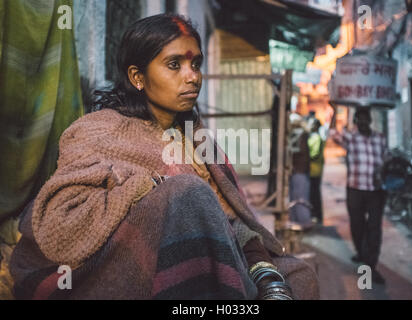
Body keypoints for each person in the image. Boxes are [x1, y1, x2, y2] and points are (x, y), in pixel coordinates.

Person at [9, 14, 319, 300]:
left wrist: (263, 269)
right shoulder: (99, 130)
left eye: (195, 64)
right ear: (137, 76)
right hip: (114, 265)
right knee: (188, 193)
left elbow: (231, 218)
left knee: (301, 277)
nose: (192, 77)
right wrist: (153, 187)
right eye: (174, 65)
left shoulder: (196, 137)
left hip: (206, 248)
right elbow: (59, 227)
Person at [330, 106, 388, 284]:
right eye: (359, 119)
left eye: (365, 118)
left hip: (376, 191)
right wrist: (333, 110)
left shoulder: (380, 138)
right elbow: (332, 132)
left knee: (374, 229)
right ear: (355, 121)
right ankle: (362, 253)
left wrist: (383, 176)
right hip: (355, 189)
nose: (363, 122)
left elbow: (387, 159)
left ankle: (370, 266)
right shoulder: (351, 138)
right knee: (357, 226)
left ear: (370, 120)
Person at [288, 113, 313, 227]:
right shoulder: (300, 135)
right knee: (297, 196)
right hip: (299, 171)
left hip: (299, 171)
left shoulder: (298, 135)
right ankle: (297, 219)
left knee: (299, 197)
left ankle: (302, 220)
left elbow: (297, 153)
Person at [308, 119, 325, 224]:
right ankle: (315, 214)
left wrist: (305, 158)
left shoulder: (317, 137)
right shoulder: (313, 136)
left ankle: (317, 215)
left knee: (314, 194)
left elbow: (315, 154)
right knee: (313, 193)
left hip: (315, 170)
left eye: (312, 125)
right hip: (312, 169)